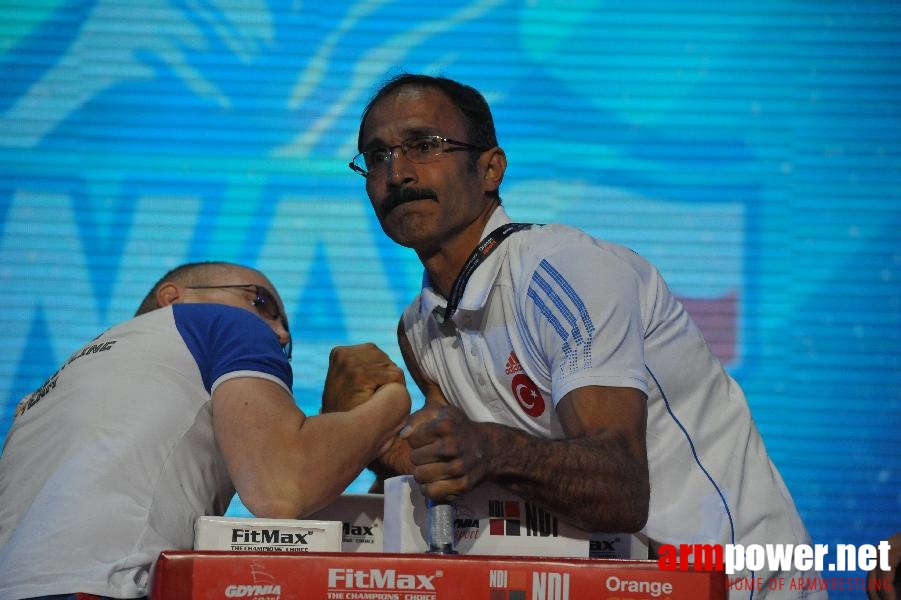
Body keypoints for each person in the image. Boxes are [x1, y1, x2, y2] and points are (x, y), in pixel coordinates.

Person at [326, 73, 823, 599]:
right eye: (376, 156)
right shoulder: (418, 329)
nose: (397, 172)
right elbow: (452, 471)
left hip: (742, 583)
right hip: (614, 584)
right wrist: (358, 435)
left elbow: (621, 491)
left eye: (425, 145)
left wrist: (488, 448)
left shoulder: (562, 272)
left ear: (490, 168)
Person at [0, 261, 410, 600]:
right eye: (261, 302)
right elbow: (281, 489)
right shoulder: (220, 322)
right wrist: (392, 404)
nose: (280, 333)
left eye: (286, 335)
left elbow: (295, 521)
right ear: (172, 297)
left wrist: (331, 427)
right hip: (104, 586)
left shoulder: (48, 389)